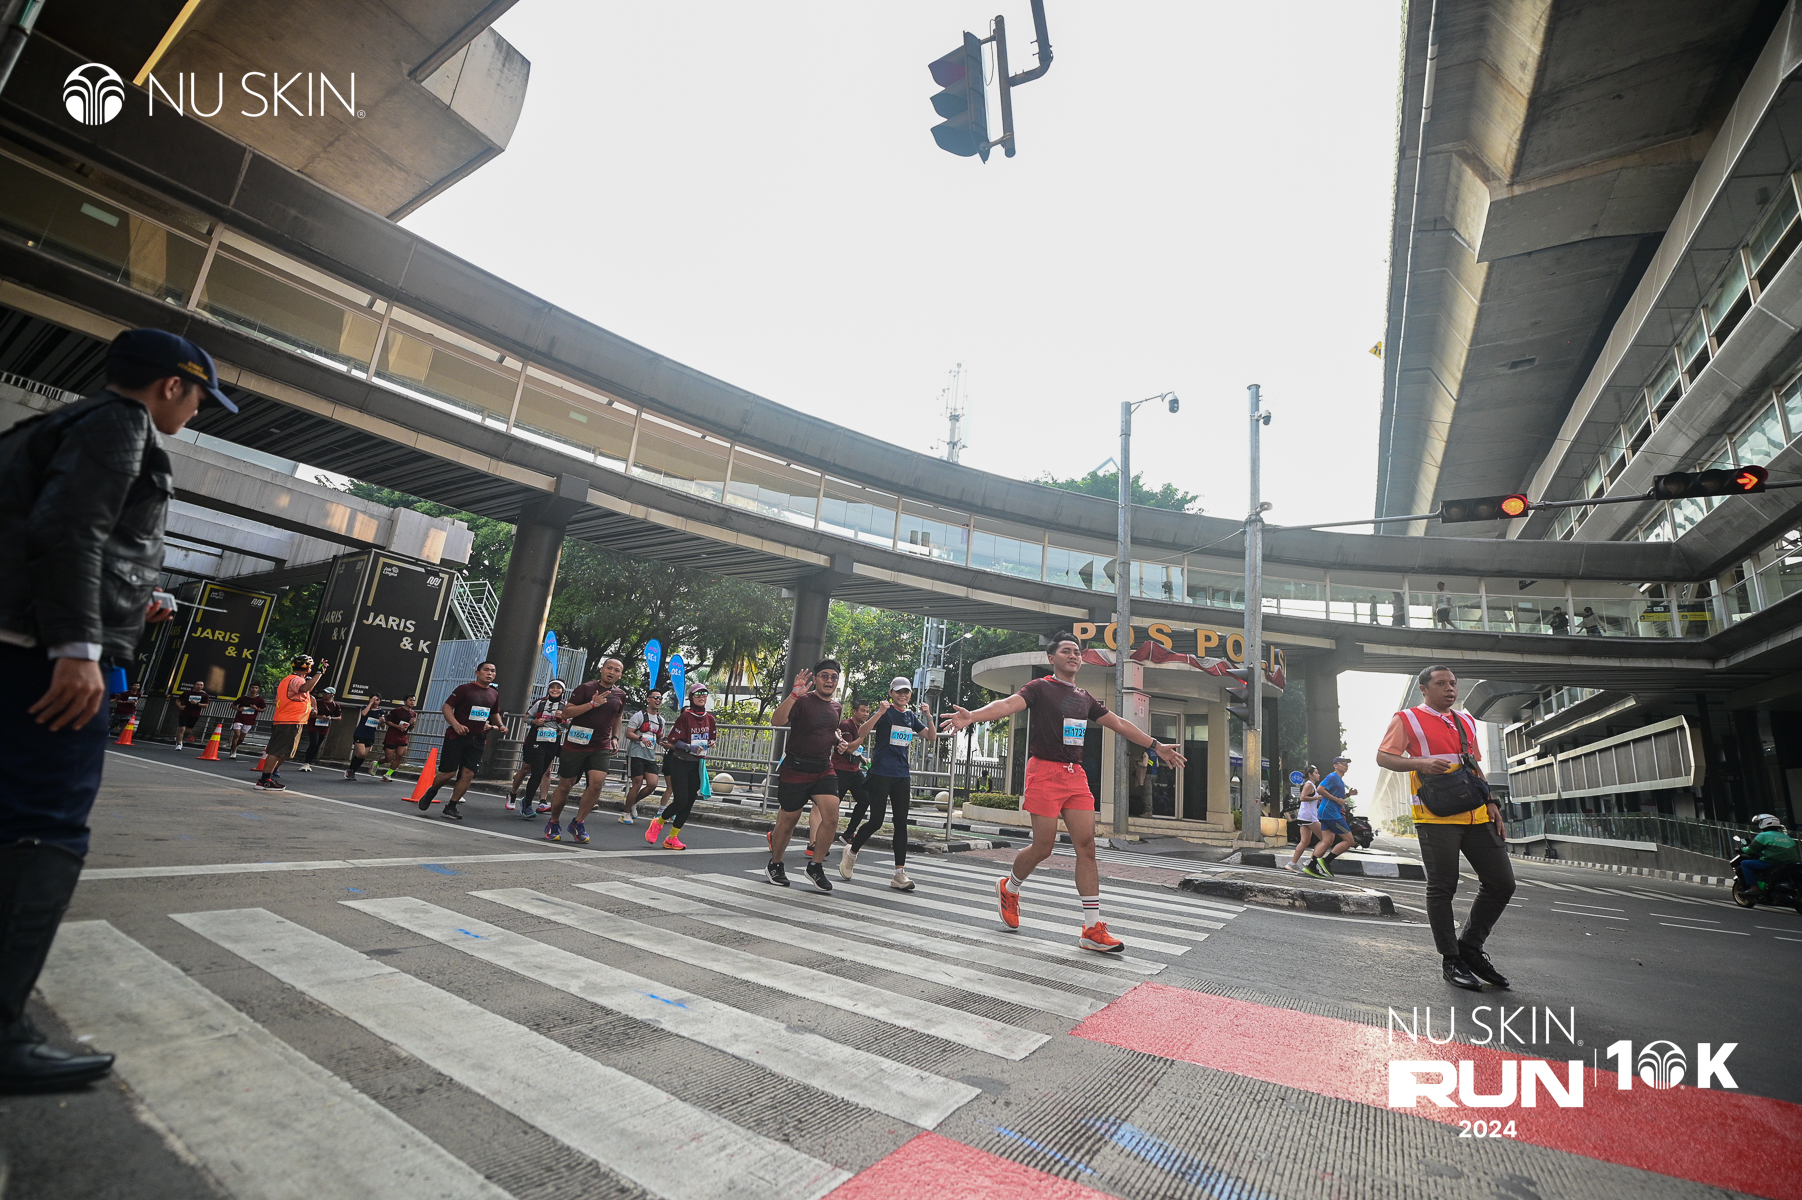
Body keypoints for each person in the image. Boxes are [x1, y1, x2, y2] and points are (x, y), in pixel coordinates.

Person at [0, 326, 234, 1092]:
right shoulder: (121, 424)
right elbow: (70, 530)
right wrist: (77, 647)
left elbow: (48, 536)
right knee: (44, 824)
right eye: (198, 397)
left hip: (14, 647)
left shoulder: (44, 426)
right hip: (43, 659)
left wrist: (132, 603)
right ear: (172, 384)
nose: (195, 411)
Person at [941, 631, 1186, 953]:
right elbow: (1008, 704)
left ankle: (1092, 929)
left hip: (1075, 776)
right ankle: (1010, 887)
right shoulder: (1039, 687)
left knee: (1087, 846)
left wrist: (1156, 745)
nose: (1074, 656)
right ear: (1051, 658)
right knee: (1043, 847)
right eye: (1067, 651)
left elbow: (1120, 724)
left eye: (1077, 652)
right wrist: (972, 716)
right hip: (1043, 772)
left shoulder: (1084, 697)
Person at [1374, 664, 1513, 992]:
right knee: (1442, 887)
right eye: (1441, 683)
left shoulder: (1465, 720)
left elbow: (1473, 765)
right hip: (1435, 816)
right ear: (1424, 689)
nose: (1450, 688)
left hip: (1476, 814)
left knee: (1501, 883)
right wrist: (1420, 762)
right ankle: (1451, 960)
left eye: (1453, 683)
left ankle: (1470, 947)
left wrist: (1491, 802)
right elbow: (1383, 757)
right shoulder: (1407, 719)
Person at [764, 662, 849, 891]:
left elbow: (829, 731)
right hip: (796, 768)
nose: (829, 680)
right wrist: (793, 695)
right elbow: (777, 721)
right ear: (816, 679)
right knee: (788, 822)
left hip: (823, 768)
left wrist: (838, 741)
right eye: (824, 676)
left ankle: (815, 866)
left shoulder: (836, 707)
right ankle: (775, 864)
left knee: (832, 817)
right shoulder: (802, 700)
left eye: (833, 677)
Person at [844, 679, 931, 891]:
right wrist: (880, 712)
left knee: (901, 823)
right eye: (898, 691)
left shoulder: (910, 716)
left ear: (910, 695)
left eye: (906, 692)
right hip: (881, 773)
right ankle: (852, 851)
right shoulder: (885, 712)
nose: (903, 695)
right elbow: (862, 731)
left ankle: (899, 874)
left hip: (902, 775)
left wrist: (928, 716)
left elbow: (931, 736)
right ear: (891, 693)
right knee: (876, 821)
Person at [545, 659, 629, 843]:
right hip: (576, 743)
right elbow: (566, 713)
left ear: (620, 675)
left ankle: (578, 822)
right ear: (601, 669)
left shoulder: (620, 694)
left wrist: (615, 737)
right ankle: (554, 821)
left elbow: (618, 716)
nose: (611, 672)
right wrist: (592, 704)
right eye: (609, 668)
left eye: (616, 670)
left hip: (600, 744)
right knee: (566, 785)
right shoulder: (586, 688)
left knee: (597, 784)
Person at [418, 664, 501, 819]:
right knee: (448, 773)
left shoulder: (493, 693)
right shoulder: (464, 689)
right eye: (486, 670)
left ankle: (451, 806)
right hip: (456, 736)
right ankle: (432, 791)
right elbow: (447, 707)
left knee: (468, 773)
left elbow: (495, 713)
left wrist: (501, 725)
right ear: (477, 673)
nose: (489, 673)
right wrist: (456, 725)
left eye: (492, 671)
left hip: (477, 738)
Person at [646, 684, 716, 851]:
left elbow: (711, 738)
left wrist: (711, 743)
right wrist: (689, 747)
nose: (701, 697)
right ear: (691, 697)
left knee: (689, 802)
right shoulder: (686, 716)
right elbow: (673, 740)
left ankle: (672, 838)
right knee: (681, 800)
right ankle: (658, 823)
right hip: (680, 762)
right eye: (697, 694)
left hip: (697, 764)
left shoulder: (710, 719)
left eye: (704, 694)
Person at [259, 655, 326, 790]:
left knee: (279, 751)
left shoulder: (288, 679)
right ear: (307, 668)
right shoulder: (296, 680)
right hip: (289, 721)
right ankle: (265, 780)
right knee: (277, 751)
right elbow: (304, 688)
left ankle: (267, 778)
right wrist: (319, 673)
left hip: (286, 719)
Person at [508, 679, 566, 817]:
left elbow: (569, 725)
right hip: (537, 741)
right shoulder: (540, 703)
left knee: (544, 772)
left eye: (558, 688)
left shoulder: (566, 706)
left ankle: (535, 801)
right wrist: (535, 721)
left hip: (553, 742)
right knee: (537, 772)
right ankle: (527, 804)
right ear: (548, 689)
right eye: (552, 687)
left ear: (563, 691)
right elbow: (526, 718)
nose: (555, 690)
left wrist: (562, 718)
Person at [1305, 756, 1358, 878]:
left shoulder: (1339, 780)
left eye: (1347, 763)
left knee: (1327, 841)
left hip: (1327, 812)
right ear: (1335, 765)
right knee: (1350, 841)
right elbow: (1320, 789)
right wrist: (1337, 800)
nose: (1345, 765)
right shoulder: (1332, 776)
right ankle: (1326, 861)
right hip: (1330, 813)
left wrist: (1348, 795)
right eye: (1342, 763)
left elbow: (1336, 797)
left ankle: (1311, 866)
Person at [620, 689, 667, 823]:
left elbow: (659, 738)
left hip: (650, 756)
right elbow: (628, 733)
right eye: (655, 698)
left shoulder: (661, 720)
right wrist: (641, 738)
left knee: (652, 784)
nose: (658, 700)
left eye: (660, 698)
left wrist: (665, 742)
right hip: (636, 754)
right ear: (648, 699)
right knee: (637, 783)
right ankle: (625, 813)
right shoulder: (639, 716)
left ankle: (632, 803)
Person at [832, 698, 873, 842]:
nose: (865, 714)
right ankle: (821, 836)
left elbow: (856, 750)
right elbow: (849, 748)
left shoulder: (859, 726)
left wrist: (863, 758)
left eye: (867, 711)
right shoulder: (846, 725)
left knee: (865, 799)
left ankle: (849, 833)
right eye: (863, 711)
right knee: (832, 805)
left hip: (855, 770)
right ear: (854, 711)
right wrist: (862, 736)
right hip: (841, 769)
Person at [1736, 814, 1798, 893]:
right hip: (1791, 863)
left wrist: (1741, 849)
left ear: (1764, 823)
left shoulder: (1763, 835)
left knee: (1745, 863)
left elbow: (1751, 849)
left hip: (1772, 862)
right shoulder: (1786, 836)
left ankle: (1754, 888)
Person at [1287, 764, 1323, 872]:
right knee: (1325, 839)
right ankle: (1310, 861)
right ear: (1310, 775)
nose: (1318, 775)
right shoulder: (1309, 785)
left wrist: (1318, 800)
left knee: (1305, 841)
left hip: (1305, 816)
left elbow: (1311, 800)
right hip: (1309, 817)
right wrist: (1318, 797)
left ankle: (1292, 863)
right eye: (1316, 773)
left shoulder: (1313, 785)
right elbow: (1302, 798)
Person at [345, 693, 385, 781]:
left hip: (370, 735)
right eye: (373, 699)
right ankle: (350, 769)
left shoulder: (381, 712)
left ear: (380, 701)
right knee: (361, 753)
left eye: (377, 700)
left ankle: (353, 771)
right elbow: (363, 714)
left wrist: (382, 721)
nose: (375, 702)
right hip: (360, 733)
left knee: (363, 756)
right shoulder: (365, 707)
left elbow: (382, 726)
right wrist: (370, 704)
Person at [301, 686, 340, 771]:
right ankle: (305, 762)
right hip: (313, 725)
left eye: (326, 693)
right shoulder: (317, 702)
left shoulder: (335, 705)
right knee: (313, 743)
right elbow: (310, 713)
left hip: (324, 727)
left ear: (332, 695)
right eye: (323, 693)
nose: (324, 695)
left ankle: (309, 762)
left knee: (318, 745)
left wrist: (330, 718)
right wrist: (319, 716)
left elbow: (339, 717)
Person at [380, 694, 417, 780]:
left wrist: (412, 723)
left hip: (403, 737)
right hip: (392, 736)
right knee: (388, 758)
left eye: (414, 700)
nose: (412, 702)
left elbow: (411, 728)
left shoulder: (414, 714)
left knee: (400, 756)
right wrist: (397, 726)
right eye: (410, 700)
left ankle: (388, 774)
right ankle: (376, 764)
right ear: (405, 701)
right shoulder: (397, 711)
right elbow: (388, 721)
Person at [226, 682, 266, 759]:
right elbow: (233, 705)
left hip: (249, 720)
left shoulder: (260, 699)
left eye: (256, 688)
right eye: (252, 688)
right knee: (236, 734)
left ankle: (234, 746)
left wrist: (256, 708)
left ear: (258, 689)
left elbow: (263, 709)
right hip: (239, 718)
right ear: (249, 688)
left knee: (241, 738)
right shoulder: (242, 698)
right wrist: (238, 709)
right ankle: (234, 752)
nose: (254, 689)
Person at [174, 680, 210, 750]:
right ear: (194, 685)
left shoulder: (204, 695)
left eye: (201, 685)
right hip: (184, 712)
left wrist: (197, 703)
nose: (199, 686)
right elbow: (178, 700)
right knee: (181, 728)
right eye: (197, 684)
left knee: (188, 731)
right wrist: (180, 706)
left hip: (195, 714)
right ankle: (179, 744)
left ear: (203, 686)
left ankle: (179, 737)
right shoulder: (187, 693)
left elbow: (206, 705)